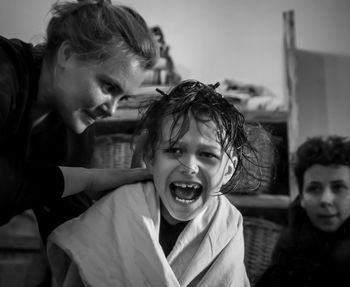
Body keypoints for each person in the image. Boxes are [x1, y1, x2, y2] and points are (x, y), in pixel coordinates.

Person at [46, 79, 262, 287]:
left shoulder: (228, 223)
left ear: (228, 170)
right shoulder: (117, 210)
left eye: (207, 155)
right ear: (150, 157)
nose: (189, 167)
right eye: (175, 150)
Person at [0, 0, 159, 237]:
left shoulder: (75, 130)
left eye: (122, 98)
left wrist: (133, 202)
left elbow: (71, 232)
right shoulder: (4, 70)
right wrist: (85, 179)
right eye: (108, 87)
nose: (112, 110)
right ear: (68, 54)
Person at [256, 135, 350, 287]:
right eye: (314, 189)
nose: (326, 200)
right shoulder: (290, 245)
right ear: (302, 199)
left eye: (338, 187)